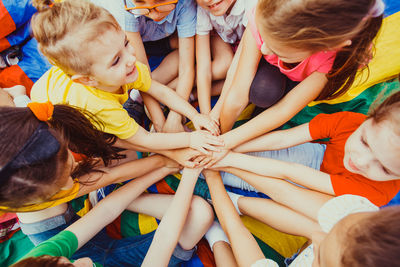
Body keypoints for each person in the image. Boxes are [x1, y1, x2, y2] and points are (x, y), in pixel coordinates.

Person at [30, 0, 222, 160]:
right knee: (117, 148)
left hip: (59, 87)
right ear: (88, 80)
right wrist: (190, 140)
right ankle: (22, 99)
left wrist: (195, 116)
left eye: (126, 43)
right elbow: (145, 139)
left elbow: (158, 89)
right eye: (116, 60)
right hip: (58, 117)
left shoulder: (125, 65)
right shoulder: (100, 108)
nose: (132, 58)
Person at [210, 0, 384, 163]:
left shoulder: (331, 57)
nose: (263, 48)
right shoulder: (267, 13)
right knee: (263, 92)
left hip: (304, 75)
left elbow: (284, 110)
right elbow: (238, 92)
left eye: (278, 50)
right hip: (283, 59)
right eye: (265, 40)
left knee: (267, 124)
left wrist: (229, 143)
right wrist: (221, 139)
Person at [0, 101, 187, 246]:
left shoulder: (29, 130)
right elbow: (112, 177)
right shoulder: (38, 191)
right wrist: (165, 160)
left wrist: (162, 150)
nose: (69, 182)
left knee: (128, 155)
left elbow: (119, 157)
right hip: (77, 237)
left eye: (66, 155)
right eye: (63, 178)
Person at [211, 90, 400, 208]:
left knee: (224, 171)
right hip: (318, 158)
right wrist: (228, 146)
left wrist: (229, 160)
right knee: (228, 157)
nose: (360, 161)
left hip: (322, 193)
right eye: (365, 142)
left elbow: (290, 173)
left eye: (384, 168)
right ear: (369, 117)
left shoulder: (376, 193)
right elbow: (283, 138)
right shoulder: (351, 122)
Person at [11, 167, 213, 266]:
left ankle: (108, 193)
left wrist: (163, 167)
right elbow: (164, 239)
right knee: (200, 213)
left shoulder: (40, 259)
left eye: (68, 261)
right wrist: (190, 174)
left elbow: (105, 212)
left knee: (30, 198)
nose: (84, 262)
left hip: (89, 242)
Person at [204, 170, 400, 267]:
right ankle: (236, 202)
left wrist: (213, 180)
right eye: (336, 228)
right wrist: (226, 162)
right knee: (320, 225)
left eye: (322, 257)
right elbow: (286, 193)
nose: (316, 236)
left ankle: (214, 234)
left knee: (226, 244)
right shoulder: (366, 226)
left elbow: (238, 234)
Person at [123, 0, 198, 133]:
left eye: (161, 2)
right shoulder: (125, 8)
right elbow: (143, 69)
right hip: (136, 42)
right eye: (142, 4)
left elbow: (186, 68)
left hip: (164, 39)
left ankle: (141, 96)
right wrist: (159, 124)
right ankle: (137, 97)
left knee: (195, 50)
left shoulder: (185, 5)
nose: (155, 16)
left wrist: (176, 116)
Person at [195, 0, 258, 116]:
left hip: (250, 49)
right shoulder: (204, 8)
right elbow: (203, 67)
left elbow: (237, 69)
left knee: (256, 87)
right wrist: (206, 115)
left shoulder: (252, 5)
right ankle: (175, 92)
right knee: (223, 63)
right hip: (226, 40)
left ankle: (188, 93)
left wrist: (216, 112)